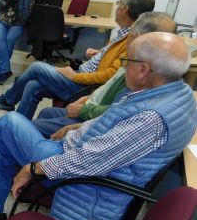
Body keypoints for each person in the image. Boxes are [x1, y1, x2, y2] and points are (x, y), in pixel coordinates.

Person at [0, 32, 197, 220]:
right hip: (77, 153)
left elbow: (91, 160)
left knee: (7, 123)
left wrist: (34, 168)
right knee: (3, 140)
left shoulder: (151, 118)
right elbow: (112, 129)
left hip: (81, 178)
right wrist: (76, 127)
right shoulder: (176, 94)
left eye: (127, 62)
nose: (123, 67)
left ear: (144, 69)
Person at [0, 0, 156, 119]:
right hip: (81, 77)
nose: (117, 6)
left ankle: (6, 101)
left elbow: (110, 75)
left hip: (82, 85)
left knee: (36, 67)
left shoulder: (131, 40)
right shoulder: (126, 33)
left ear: (125, 9)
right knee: (32, 86)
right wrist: (100, 52)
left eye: (119, 3)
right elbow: (113, 59)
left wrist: (73, 77)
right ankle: (17, 124)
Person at [32, 11, 178, 138]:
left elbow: (117, 112)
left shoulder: (139, 72)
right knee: (41, 104)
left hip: (91, 117)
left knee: (19, 122)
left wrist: (83, 110)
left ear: (136, 36)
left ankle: (12, 106)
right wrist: (88, 97)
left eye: (130, 33)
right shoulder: (141, 62)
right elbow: (112, 88)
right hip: (91, 103)